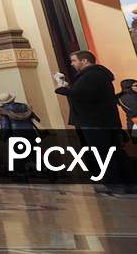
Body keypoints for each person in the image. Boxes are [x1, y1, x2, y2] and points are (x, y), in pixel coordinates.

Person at [57, 51, 137, 196]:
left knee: (104, 154)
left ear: (85, 61)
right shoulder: (97, 75)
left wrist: (64, 89)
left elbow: (84, 95)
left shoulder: (91, 76)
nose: (72, 64)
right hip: (105, 120)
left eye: (74, 61)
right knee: (115, 152)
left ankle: (116, 186)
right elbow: (88, 94)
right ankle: (129, 184)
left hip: (95, 121)